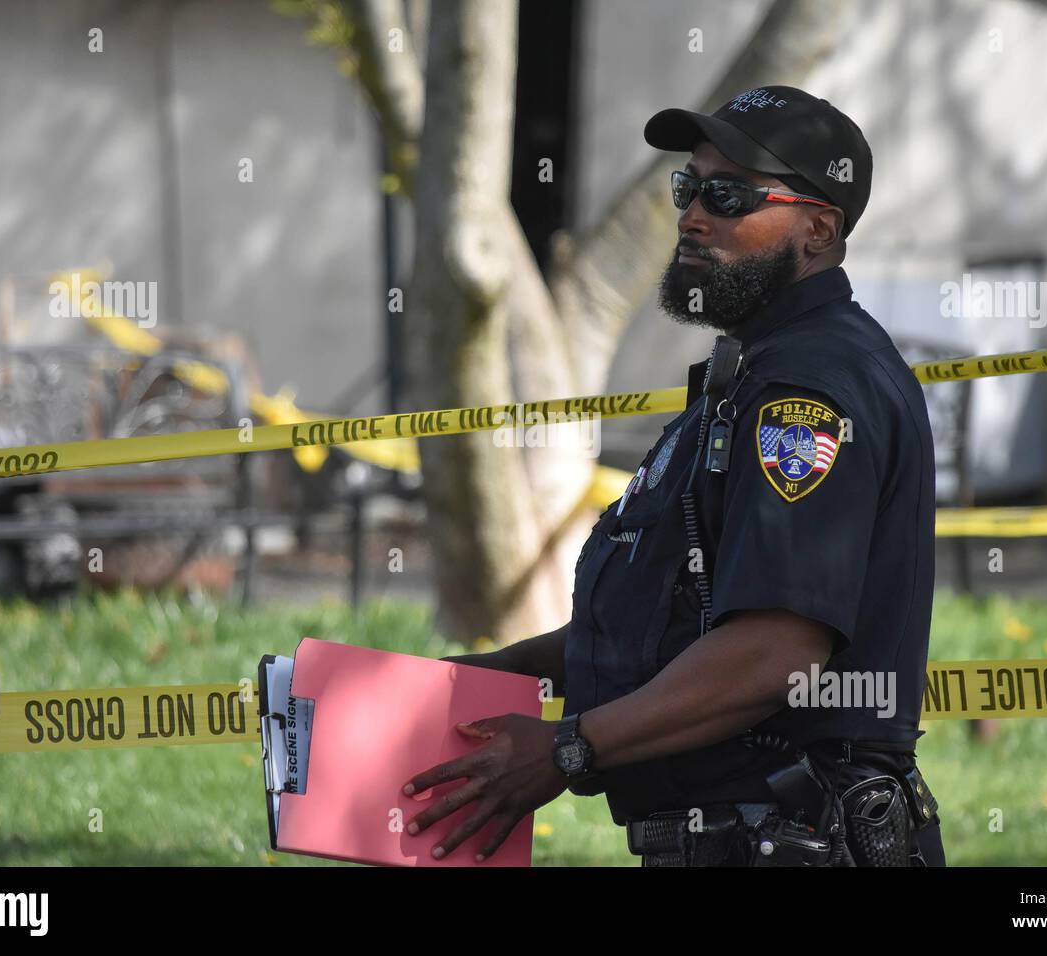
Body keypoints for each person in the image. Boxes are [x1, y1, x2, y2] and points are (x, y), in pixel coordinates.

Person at [403, 85, 944, 867]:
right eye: (687, 188)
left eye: (727, 196)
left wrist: (566, 750)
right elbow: (676, 624)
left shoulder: (808, 392)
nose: (693, 215)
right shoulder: (753, 374)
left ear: (818, 229)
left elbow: (772, 652)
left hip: (797, 841)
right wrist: (488, 679)